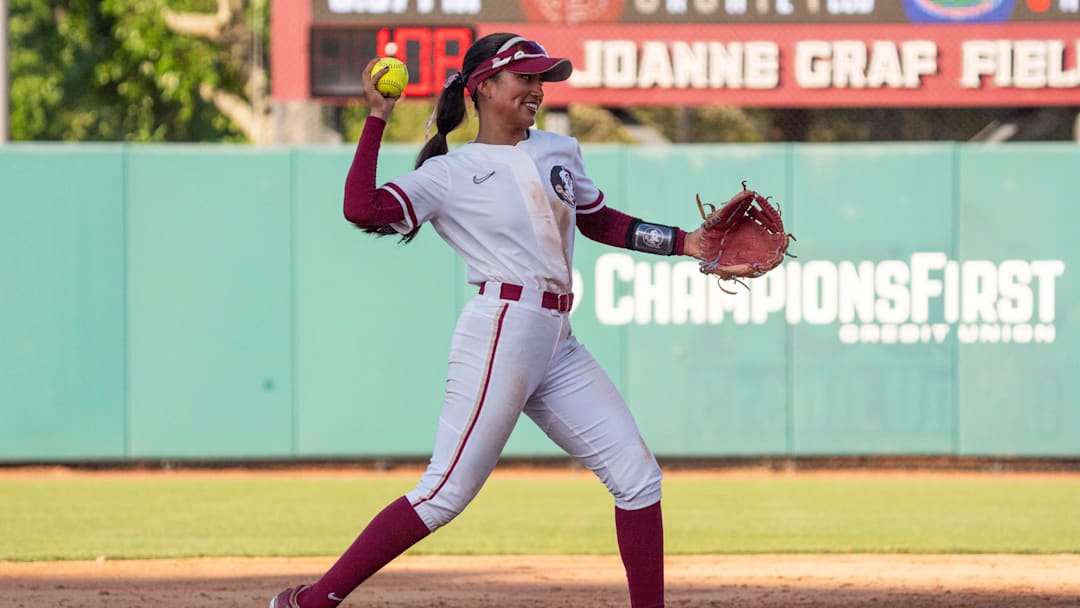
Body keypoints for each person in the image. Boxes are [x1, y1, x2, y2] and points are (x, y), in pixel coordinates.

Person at [270, 33, 704, 608]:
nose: (537, 88)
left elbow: (601, 222)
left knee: (637, 477)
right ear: (483, 87)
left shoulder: (558, 150)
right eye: (524, 76)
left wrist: (684, 242)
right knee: (443, 495)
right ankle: (312, 602)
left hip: (556, 338)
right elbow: (361, 207)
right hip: (502, 328)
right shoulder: (451, 171)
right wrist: (378, 116)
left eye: (541, 78)